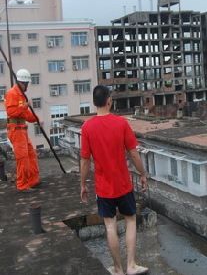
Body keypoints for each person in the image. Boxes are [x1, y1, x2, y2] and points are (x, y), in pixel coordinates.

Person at [80, 85, 149, 275]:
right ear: (109, 100)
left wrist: (83, 184)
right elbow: (134, 154)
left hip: (103, 188)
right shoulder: (121, 123)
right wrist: (142, 174)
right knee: (131, 220)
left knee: (110, 225)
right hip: (123, 185)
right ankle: (131, 265)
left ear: (95, 102)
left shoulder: (87, 127)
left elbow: (85, 160)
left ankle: (118, 269)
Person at [5, 68, 40, 192]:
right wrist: (25, 106)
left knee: (31, 154)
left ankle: (33, 181)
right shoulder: (12, 94)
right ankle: (22, 185)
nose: (27, 87)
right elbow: (11, 112)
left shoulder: (21, 96)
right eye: (26, 84)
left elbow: (26, 115)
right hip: (16, 129)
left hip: (22, 129)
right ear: (21, 83)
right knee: (22, 158)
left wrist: (36, 118)